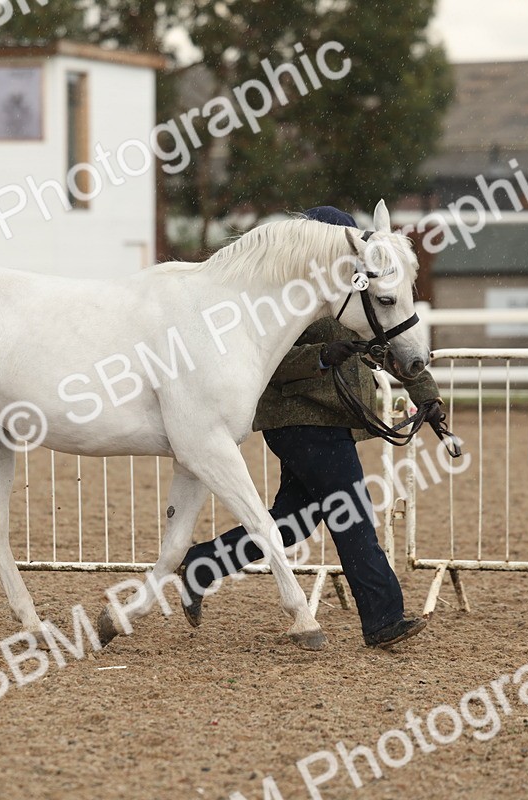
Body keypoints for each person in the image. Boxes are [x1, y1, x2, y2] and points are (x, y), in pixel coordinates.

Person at [177, 206, 445, 649]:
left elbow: (389, 332)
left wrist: (427, 397)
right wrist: (323, 355)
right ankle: (383, 618)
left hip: (331, 418)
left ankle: (205, 563)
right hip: (295, 417)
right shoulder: (286, 293)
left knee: (291, 522)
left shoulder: (353, 291)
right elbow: (267, 363)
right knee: (352, 511)